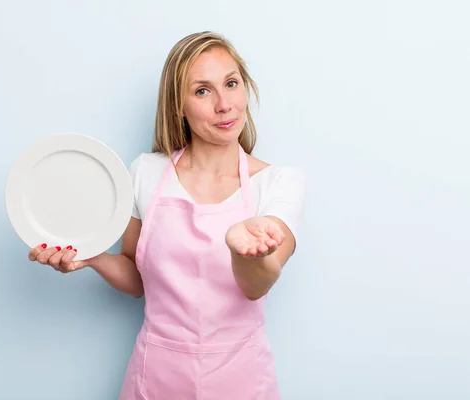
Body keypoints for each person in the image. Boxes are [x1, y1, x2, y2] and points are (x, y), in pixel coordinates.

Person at [28, 31, 305, 400]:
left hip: (241, 379)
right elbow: (138, 279)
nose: (224, 104)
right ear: (178, 105)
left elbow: (259, 284)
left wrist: (246, 251)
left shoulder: (278, 183)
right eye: (202, 91)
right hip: (155, 376)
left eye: (231, 83)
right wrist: (91, 256)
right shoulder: (144, 173)